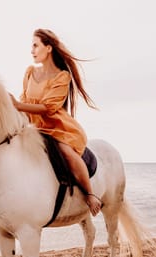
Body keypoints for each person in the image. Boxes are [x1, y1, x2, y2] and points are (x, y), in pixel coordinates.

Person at [10, 28, 102, 216]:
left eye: (35, 45)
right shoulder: (29, 72)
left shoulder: (62, 76)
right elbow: (25, 99)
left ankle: (90, 193)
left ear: (49, 48)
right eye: (32, 46)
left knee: (66, 152)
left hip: (56, 127)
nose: (32, 50)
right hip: (32, 124)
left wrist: (18, 105)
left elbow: (48, 108)